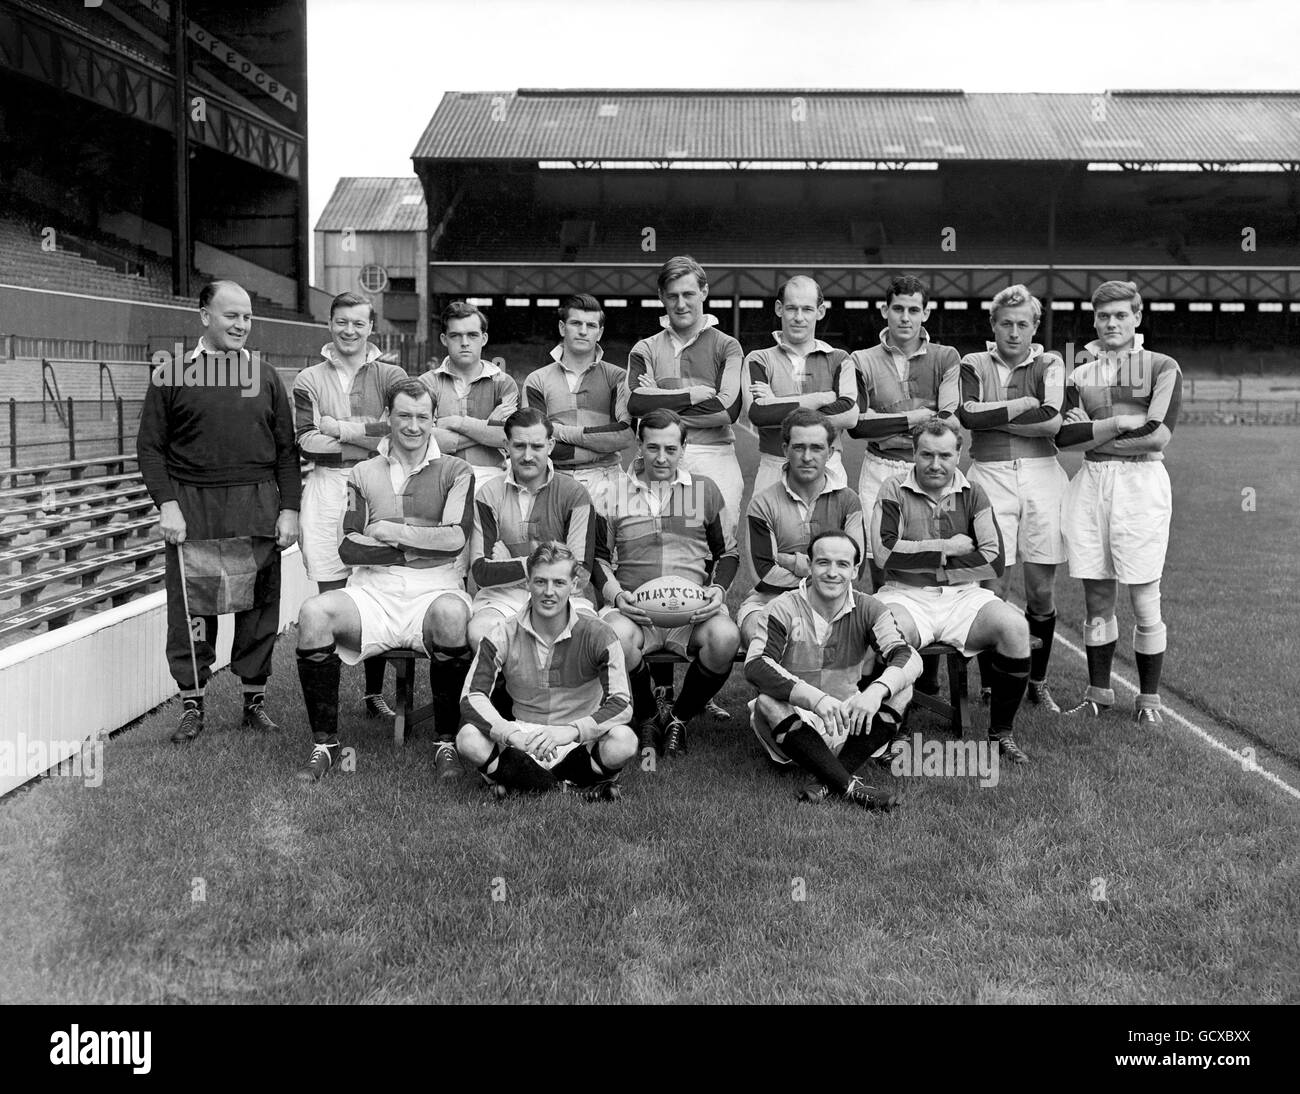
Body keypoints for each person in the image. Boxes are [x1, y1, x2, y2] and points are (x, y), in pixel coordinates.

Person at [137, 279, 300, 744]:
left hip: (255, 506)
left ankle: (254, 704)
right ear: (204, 315)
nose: (241, 325)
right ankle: (192, 706)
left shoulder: (266, 375)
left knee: (259, 608)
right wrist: (167, 504)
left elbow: (287, 451)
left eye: (247, 317)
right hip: (194, 510)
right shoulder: (171, 373)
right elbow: (150, 449)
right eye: (231, 315)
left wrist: (289, 509)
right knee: (191, 612)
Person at [294, 379, 475, 782]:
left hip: (435, 588)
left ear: (434, 420)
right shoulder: (362, 471)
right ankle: (325, 745)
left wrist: (389, 531)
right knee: (313, 613)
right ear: (388, 417)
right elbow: (350, 548)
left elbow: (453, 540)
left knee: (451, 615)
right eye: (404, 416)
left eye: (422, 417)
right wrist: (418, 543)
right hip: (373, 590)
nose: (413, 426)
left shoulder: (457, 470)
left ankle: (445, 741)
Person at [869, 418, 1033, 765]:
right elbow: (885, 555)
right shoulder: (893, 488)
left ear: (958, 454)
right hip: (905, 595)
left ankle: (1001, 733)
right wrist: (948, 546)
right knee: (891, 631)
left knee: (1015, 627)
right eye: (926, 454)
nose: (935, 464)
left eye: (944, 455)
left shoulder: (974, 493)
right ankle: (890, 732)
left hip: (963, 597)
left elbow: (993, 560)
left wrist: (926, 560)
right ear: (913, 453)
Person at [1057, 280, 1182, 726]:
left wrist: (1096, 431)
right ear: (1094, 320)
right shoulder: (1080, 371)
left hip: (1141, 483)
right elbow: (1062, 436)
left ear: (1137, 317)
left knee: (1145, 595)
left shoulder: (1163, 366)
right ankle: (1098, 695)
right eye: (1104, 316)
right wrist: (1121, 422)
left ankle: (1149, 702)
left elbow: (1158, 435)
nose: (1112, 323)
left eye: (1121, 315)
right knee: (1097, 592)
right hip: (1091, 483)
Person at [593, 409, 741, 757]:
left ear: (683, 448)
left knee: (726, 637)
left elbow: (728, 553)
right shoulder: (613, 491)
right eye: (653, 447)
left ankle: (677, 719)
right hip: (635, 612)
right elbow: (597, 557)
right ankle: (647, 717)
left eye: (671, 449)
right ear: (639, 446)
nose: (662, 457)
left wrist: (716, 592)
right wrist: (616, 597)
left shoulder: (703, 491)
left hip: (692, 613)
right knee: (613, 637)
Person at [293, 291, 407, 719]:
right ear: (329, 323)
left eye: (358, 323)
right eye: (342, 322)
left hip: (377, 486)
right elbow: (308, 444)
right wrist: (368, 440)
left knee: (375, 587)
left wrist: (339, 427)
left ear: (371, 328)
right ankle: (330, 700)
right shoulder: (308, 379)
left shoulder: (392, 375)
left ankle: (374, 694)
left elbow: (399, 430)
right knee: (331, 591)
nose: (349, 330)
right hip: (325, 493)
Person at [745, 530, 920, 809]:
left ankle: (830, 779)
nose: (832, 572)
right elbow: (756, 665)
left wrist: (875, 690)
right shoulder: (782, 607)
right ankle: (851, 787)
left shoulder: (870, 608)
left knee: (902, 689)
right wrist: (816, 699)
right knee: (766, 702)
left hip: (847, 718)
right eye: (823, 562)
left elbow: (907, 655)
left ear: (855, 571)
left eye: (842, 564)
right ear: (810, 566)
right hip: (797, 715)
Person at [957, 284, 1069, 713]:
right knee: (992, 583)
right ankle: (990, 685)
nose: (1015, 332)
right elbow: (967, 416)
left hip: (1042, 477)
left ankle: (1037, 681)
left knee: (1040, 588)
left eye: (1024, 324)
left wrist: (994, 417)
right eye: (1006, 323)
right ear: (993, 324)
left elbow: (1051, 421)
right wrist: (1025, 404)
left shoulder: (1051, 361)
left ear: (1035, 326)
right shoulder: (973, 362)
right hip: (988, 476)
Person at [457, 542, 636, 801]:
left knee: (625, 740)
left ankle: (520, 784)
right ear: (528, 582)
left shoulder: (600, 633)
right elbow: (471, 697)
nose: (548, 592)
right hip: (524, 739)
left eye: (559, 583)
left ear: (575, 586)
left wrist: (573, 731)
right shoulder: (502, 633)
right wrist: (511, 734)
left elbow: (621, 703)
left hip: (577, 737)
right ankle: (573, 788)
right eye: (540, 581)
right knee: (468, 737)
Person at [847, 275, 961, 580]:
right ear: (885, 311)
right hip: (879, 468)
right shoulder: (861, 359)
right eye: (898, 309)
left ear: (925, 313)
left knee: (936, 567)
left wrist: (880, 419)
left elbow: (948, 421)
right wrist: (920, 415)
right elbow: (856, 425)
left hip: (930, 468)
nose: (905, 317)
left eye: (913, 310)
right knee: (882, 565)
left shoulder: (946, 356)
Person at [627, 256, 744, 540]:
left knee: (717, 545)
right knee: (657, 544)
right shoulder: (645, 348)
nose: (681, 304)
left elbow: (727, 409)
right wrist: (691, 395)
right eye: (673, 296)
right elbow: (635, 404)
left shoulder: (727, 345)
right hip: (660, 454)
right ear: (661, 297)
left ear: (703, 292)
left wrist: (659, 397)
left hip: (714, 456)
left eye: (688, 294)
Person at [467, 407, 597, 650]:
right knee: (481, 633)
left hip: (562, 594)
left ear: (551, 445)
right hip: (502, 597)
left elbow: (580, 573)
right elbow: (482, 573)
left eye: (537, 447)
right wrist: (550, 562)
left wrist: (517, 563)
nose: (528, 456)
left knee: (587, 636)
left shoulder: (575, 494)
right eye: (519, 446)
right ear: (506, 445)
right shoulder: (488, 493)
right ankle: (501, 688)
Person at [739, 408, 864, 650]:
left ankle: (849, 688)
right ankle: (775, 688)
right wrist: (828, 569)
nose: (807, 457)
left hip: (834, 603)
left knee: (872, 630)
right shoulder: (762, 503)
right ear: (785, 449)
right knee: (757, 629)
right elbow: (764, 577)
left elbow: (855, 568)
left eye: (816, 448)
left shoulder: (849, 501)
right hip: (771, 601)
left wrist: (792, 562)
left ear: (830, 452)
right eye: (799, 447)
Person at [742, 275, 858, 499]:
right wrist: (820, 399)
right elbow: (758, 413)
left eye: (807, 309)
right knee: (766, 533)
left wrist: (776, 402)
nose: (798, 317)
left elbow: (849, 415)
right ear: (779, 309)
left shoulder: (840, 359)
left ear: (820, 311)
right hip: (774, 466)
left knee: (829, 535)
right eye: (791, 308)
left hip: (828, 467)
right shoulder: (758, 359)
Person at [522, 294, 632, 516]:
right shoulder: (537, 380)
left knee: (602, 551)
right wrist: (600, 446)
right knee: (554, 551)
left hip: (607, 481)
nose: (583, 331)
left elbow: (625, 436)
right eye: (576, 323)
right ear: (563, 328)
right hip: (554, 479)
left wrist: (559, 431)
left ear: (599, 332)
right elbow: (535, 442)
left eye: (591, 325)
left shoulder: (618, 378)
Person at [420, 300, 519, 489]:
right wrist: (487, 428)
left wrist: (456, 422)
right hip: (438, 478)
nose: (464, 343)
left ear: (484, 338)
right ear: (444, 339)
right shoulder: (427, 383)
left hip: (493, 479)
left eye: (472, 335)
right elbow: (423, 439)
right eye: (456, 336)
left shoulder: (504, 383)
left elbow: (509, 438)